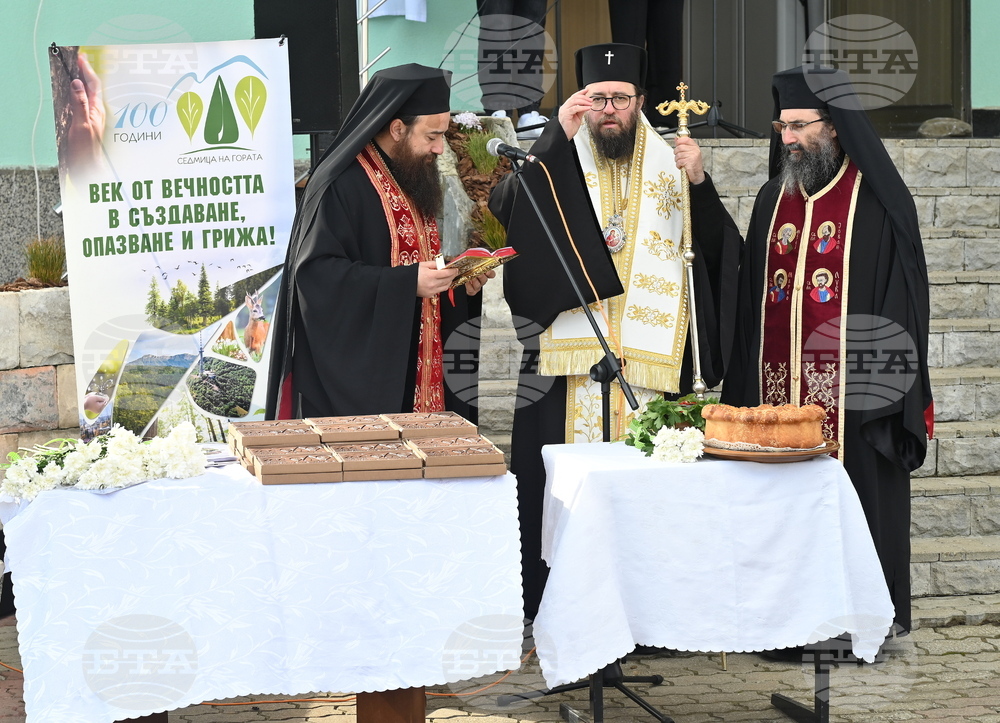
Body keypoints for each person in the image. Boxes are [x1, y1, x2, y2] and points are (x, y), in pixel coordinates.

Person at [489, 43, 742, 619]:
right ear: (581, 100)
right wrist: (555, 134)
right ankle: (560, 609)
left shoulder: (674, 160)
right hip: (570, 365)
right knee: (562, 493)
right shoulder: (557, 154)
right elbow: (509, 206)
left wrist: (700, 183)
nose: (609, 110)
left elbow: (719, 252)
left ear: (641, 102)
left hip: (651, 368)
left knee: (647, 495)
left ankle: (649, 612)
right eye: (597, 98)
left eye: (620, 99)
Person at [722, 66, 932, 637]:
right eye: (781, 126)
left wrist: (887, 396)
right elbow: (743, 297)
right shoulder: (773, 199)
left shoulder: (877, 202)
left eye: (798, 126)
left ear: (835, 126)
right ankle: (784, 621)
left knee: (857, 501)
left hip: (856, 401)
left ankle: (860, 620)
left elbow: (902, 302)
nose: (786, 139)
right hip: (777, 395)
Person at [266, 64, 493, 421]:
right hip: (369, 383)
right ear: (398, 128)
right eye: (432, 135)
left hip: (419, 364)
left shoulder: (410, 173)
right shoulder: (340, 183)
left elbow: (409, 257)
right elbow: (315, 277)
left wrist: (453, 276)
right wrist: (406, 284)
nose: (440, 149)